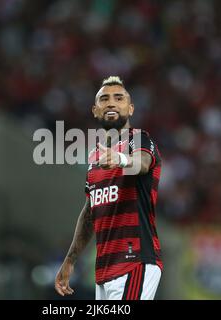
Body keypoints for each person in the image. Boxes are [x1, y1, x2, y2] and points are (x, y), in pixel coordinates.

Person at [55, 76, 163, 300]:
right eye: (104, 99)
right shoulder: (95, 157)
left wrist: (122, 159)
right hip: (104, 271)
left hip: (135, 263)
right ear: (95, 110)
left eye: (119, 98)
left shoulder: (140, 140)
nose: (111, 103)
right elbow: (88, 214)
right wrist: (70, 260)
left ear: (130, 108)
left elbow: (141, 164)